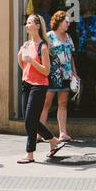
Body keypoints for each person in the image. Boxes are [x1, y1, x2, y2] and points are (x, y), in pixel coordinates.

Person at [17, 14, 66, 164]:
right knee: (28, 119)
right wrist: (22, 58)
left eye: (30, 22)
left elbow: (46, 71)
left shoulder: (43, 47)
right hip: (27, 84)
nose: (27, 25)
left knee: (30, 120)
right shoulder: (26, 45)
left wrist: (31, 61)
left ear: (38, 26)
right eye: (27, 22)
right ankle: (52, 140)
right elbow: (21, 64)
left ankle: (30, 153)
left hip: (39, 86)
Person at [39, 10, 79, 144]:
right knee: (46, 103)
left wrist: (74, 73)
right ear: (59, 22)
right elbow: (42, 56)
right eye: (66, 22)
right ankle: (39, 133)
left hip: (66, 75)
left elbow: (71, 56)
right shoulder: (49, 36)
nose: (68, 24)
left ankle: (63, 133)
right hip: (52, 75)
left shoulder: (68, 37)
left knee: (63, 103)